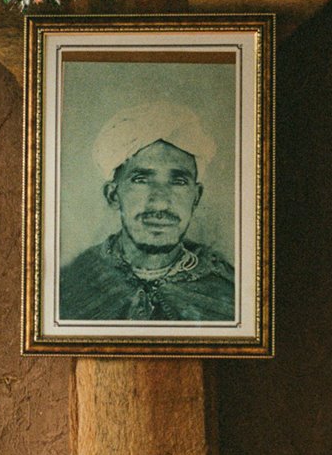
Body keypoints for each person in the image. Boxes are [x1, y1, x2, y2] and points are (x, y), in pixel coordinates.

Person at [58, 98, 236, 321]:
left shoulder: (230, 292)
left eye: (178, 182)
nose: (161, 202)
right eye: (141, 180)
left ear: (196, 197)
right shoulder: (69, 287)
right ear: (113, 195)